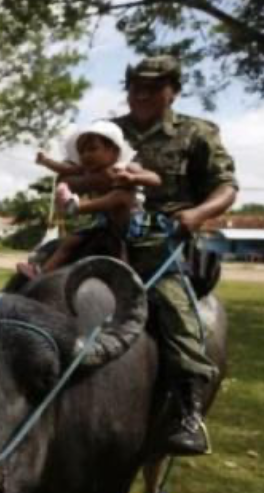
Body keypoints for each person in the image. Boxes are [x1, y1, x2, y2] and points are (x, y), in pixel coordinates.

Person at [65, 55, 239, 455]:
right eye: (134, 86)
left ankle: (187, 411)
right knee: (36, 275)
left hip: (163, 238)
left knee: (171, 304)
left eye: (154, 86)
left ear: (173, 90)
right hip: (102, 229)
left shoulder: (197, 133)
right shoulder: (108, 131)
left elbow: (225, 187)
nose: (141, 94)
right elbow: (77, 171)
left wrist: (196, 214)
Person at [19, 120, 161, 277]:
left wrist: (134, 178)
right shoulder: (87, 171)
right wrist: (46, 161)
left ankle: (77, 206)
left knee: (120, 195)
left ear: (113, 150)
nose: (86, 155)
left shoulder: (126, 167)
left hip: (130, 221)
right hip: (105, 223)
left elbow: (155, 178)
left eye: (92, 149)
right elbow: (65, 168)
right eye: (82, 151)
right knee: (70, 242)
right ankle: (42, 272)